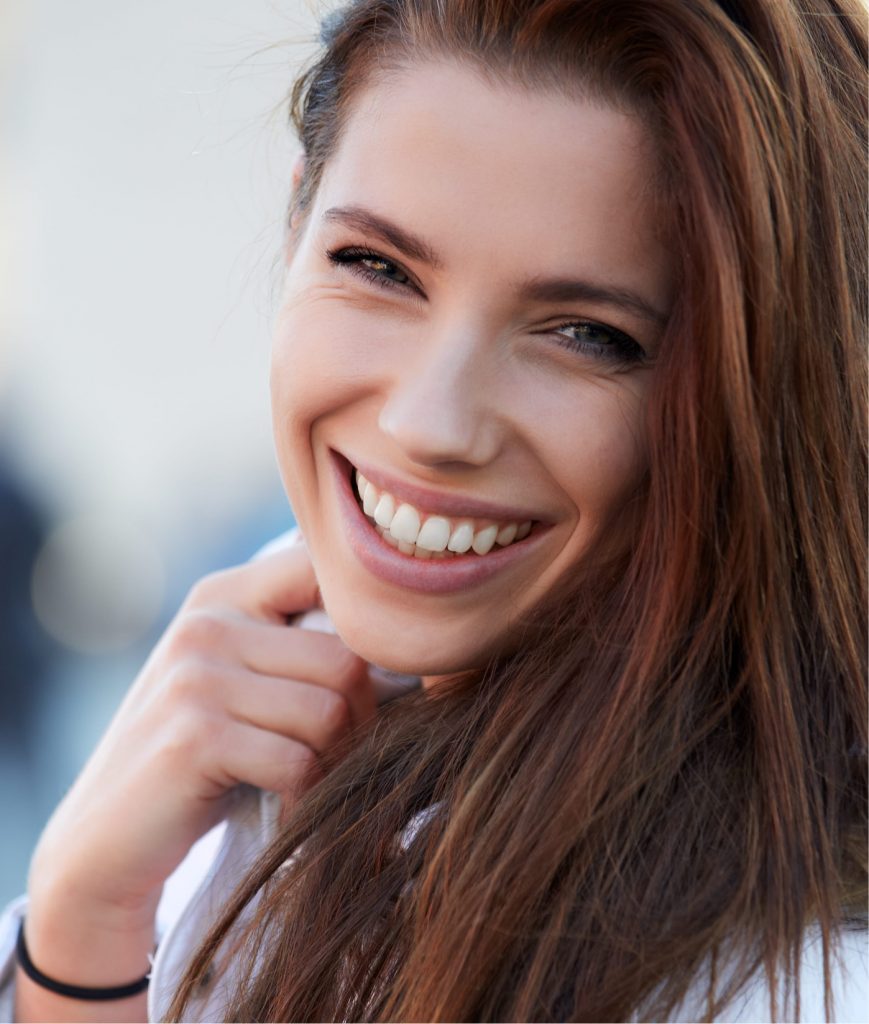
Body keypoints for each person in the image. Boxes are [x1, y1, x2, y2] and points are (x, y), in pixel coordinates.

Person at [2, 0, 866, 1020]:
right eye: (377, 267)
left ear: (760, 386)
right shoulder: (288, 689)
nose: (428, 423)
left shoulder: (784, 978)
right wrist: (84, 927)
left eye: (587, 335)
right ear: (294, 222)